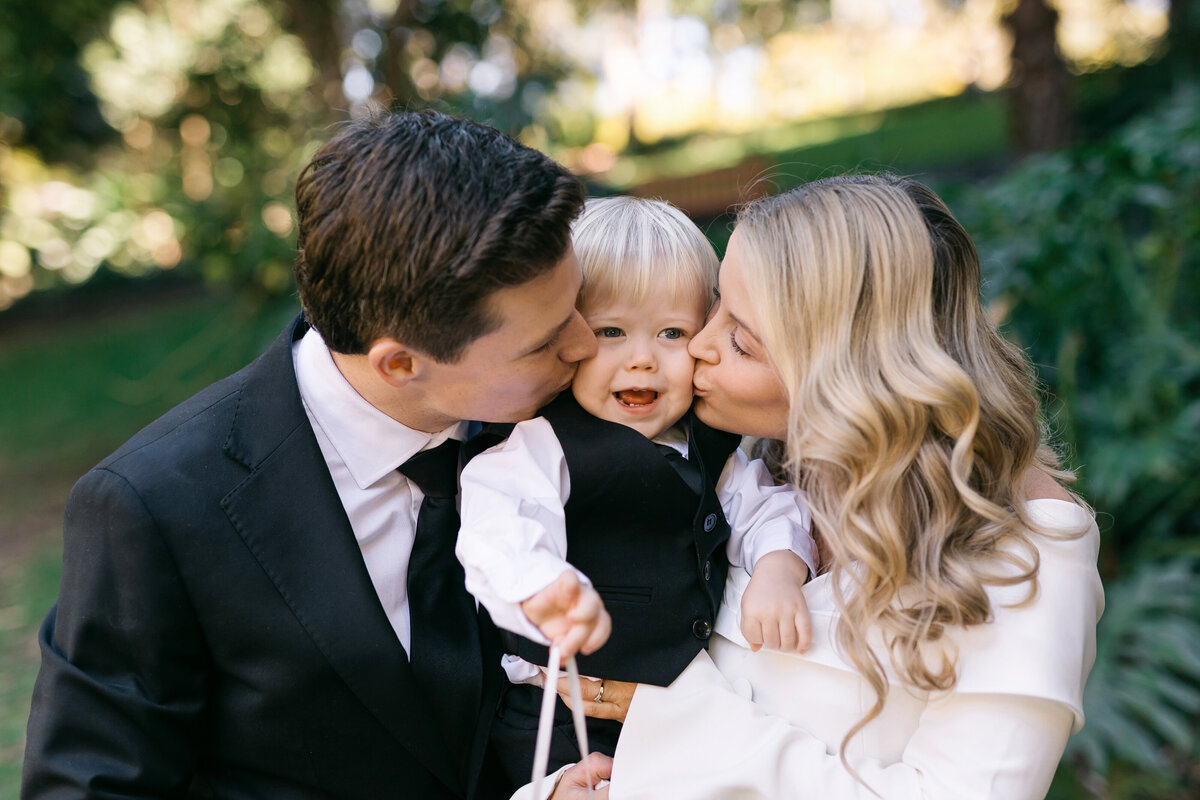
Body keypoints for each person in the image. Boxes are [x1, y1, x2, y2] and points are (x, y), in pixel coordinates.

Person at [21, 109, 612, 800]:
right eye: (542, 343)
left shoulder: (576, 419)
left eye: (578, 304)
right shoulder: (153, 507)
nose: (585, 346)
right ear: (399, 365)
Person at [558, 174, 1105, 799]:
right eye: (713, 308)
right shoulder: (745, 466)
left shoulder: (1025, 551)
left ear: (846, 374)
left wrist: (670, 711)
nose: (697, 348)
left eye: (739, 340)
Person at [455, 196, 817, 784]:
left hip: (681, 707)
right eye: (612, 332)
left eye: (672, 332)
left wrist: (779, 569)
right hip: (564, 716)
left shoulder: (708, 443)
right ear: (567, 339)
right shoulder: (542, 445)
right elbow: (499, 528)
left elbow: (766, 506)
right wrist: (541, 588)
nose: (643, 360)